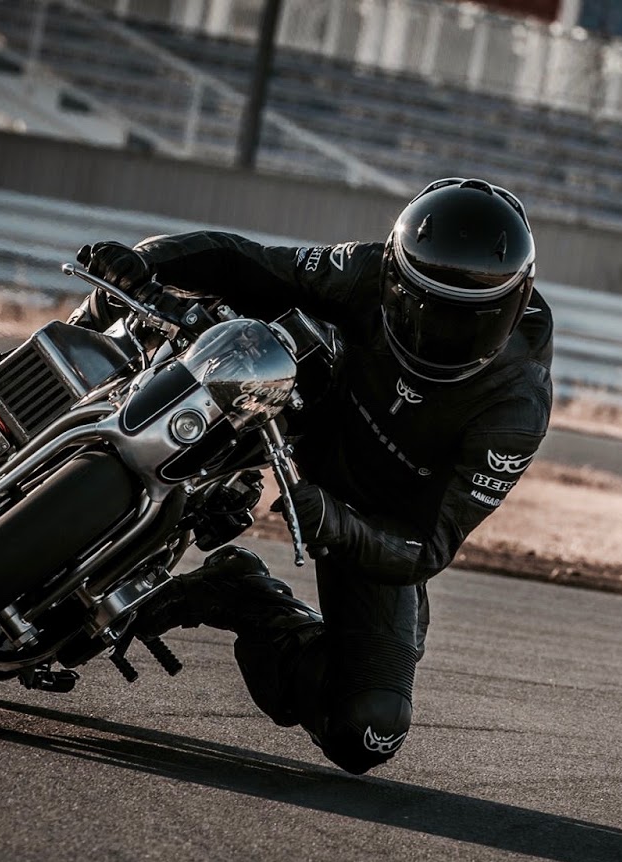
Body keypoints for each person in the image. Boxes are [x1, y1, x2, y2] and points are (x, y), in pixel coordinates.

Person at [72, 177, 553, 775]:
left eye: (466, 319)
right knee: (185, 312)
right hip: (305, 409)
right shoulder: (365, 268)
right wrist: (146, 261)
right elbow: (243, 261)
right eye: (420, 305)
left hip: (368, 513)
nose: (436, 333)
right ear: (394, 274)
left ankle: (244, 597)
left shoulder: (515, 407)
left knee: (369, 730)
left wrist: (338, 524)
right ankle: (35, 405)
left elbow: (429, 546)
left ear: (515, 303)